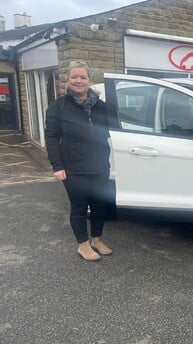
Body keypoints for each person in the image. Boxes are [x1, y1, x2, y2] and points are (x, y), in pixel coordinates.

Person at [45, 60, 112, 261]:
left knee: (100, 205)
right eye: (74, 77)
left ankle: (96, 239)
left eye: (83, 77)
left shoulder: (101, 107)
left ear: (89, 80)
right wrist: (57, 166)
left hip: (100, 165)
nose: (78, 80)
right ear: (68, 80)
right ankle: (83, 244)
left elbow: (112, 131)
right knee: (80, 207)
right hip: (74, 168)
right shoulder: (58, 107)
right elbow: (51, 137)